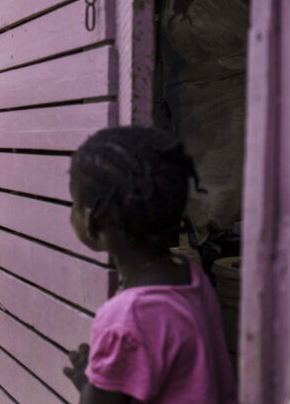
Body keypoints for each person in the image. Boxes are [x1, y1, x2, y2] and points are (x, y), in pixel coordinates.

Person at [62, 126, 236, 403]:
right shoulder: (191, 277)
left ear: (96, 221)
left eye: (75, 203)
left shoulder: (126, 318)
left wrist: (87, 380)